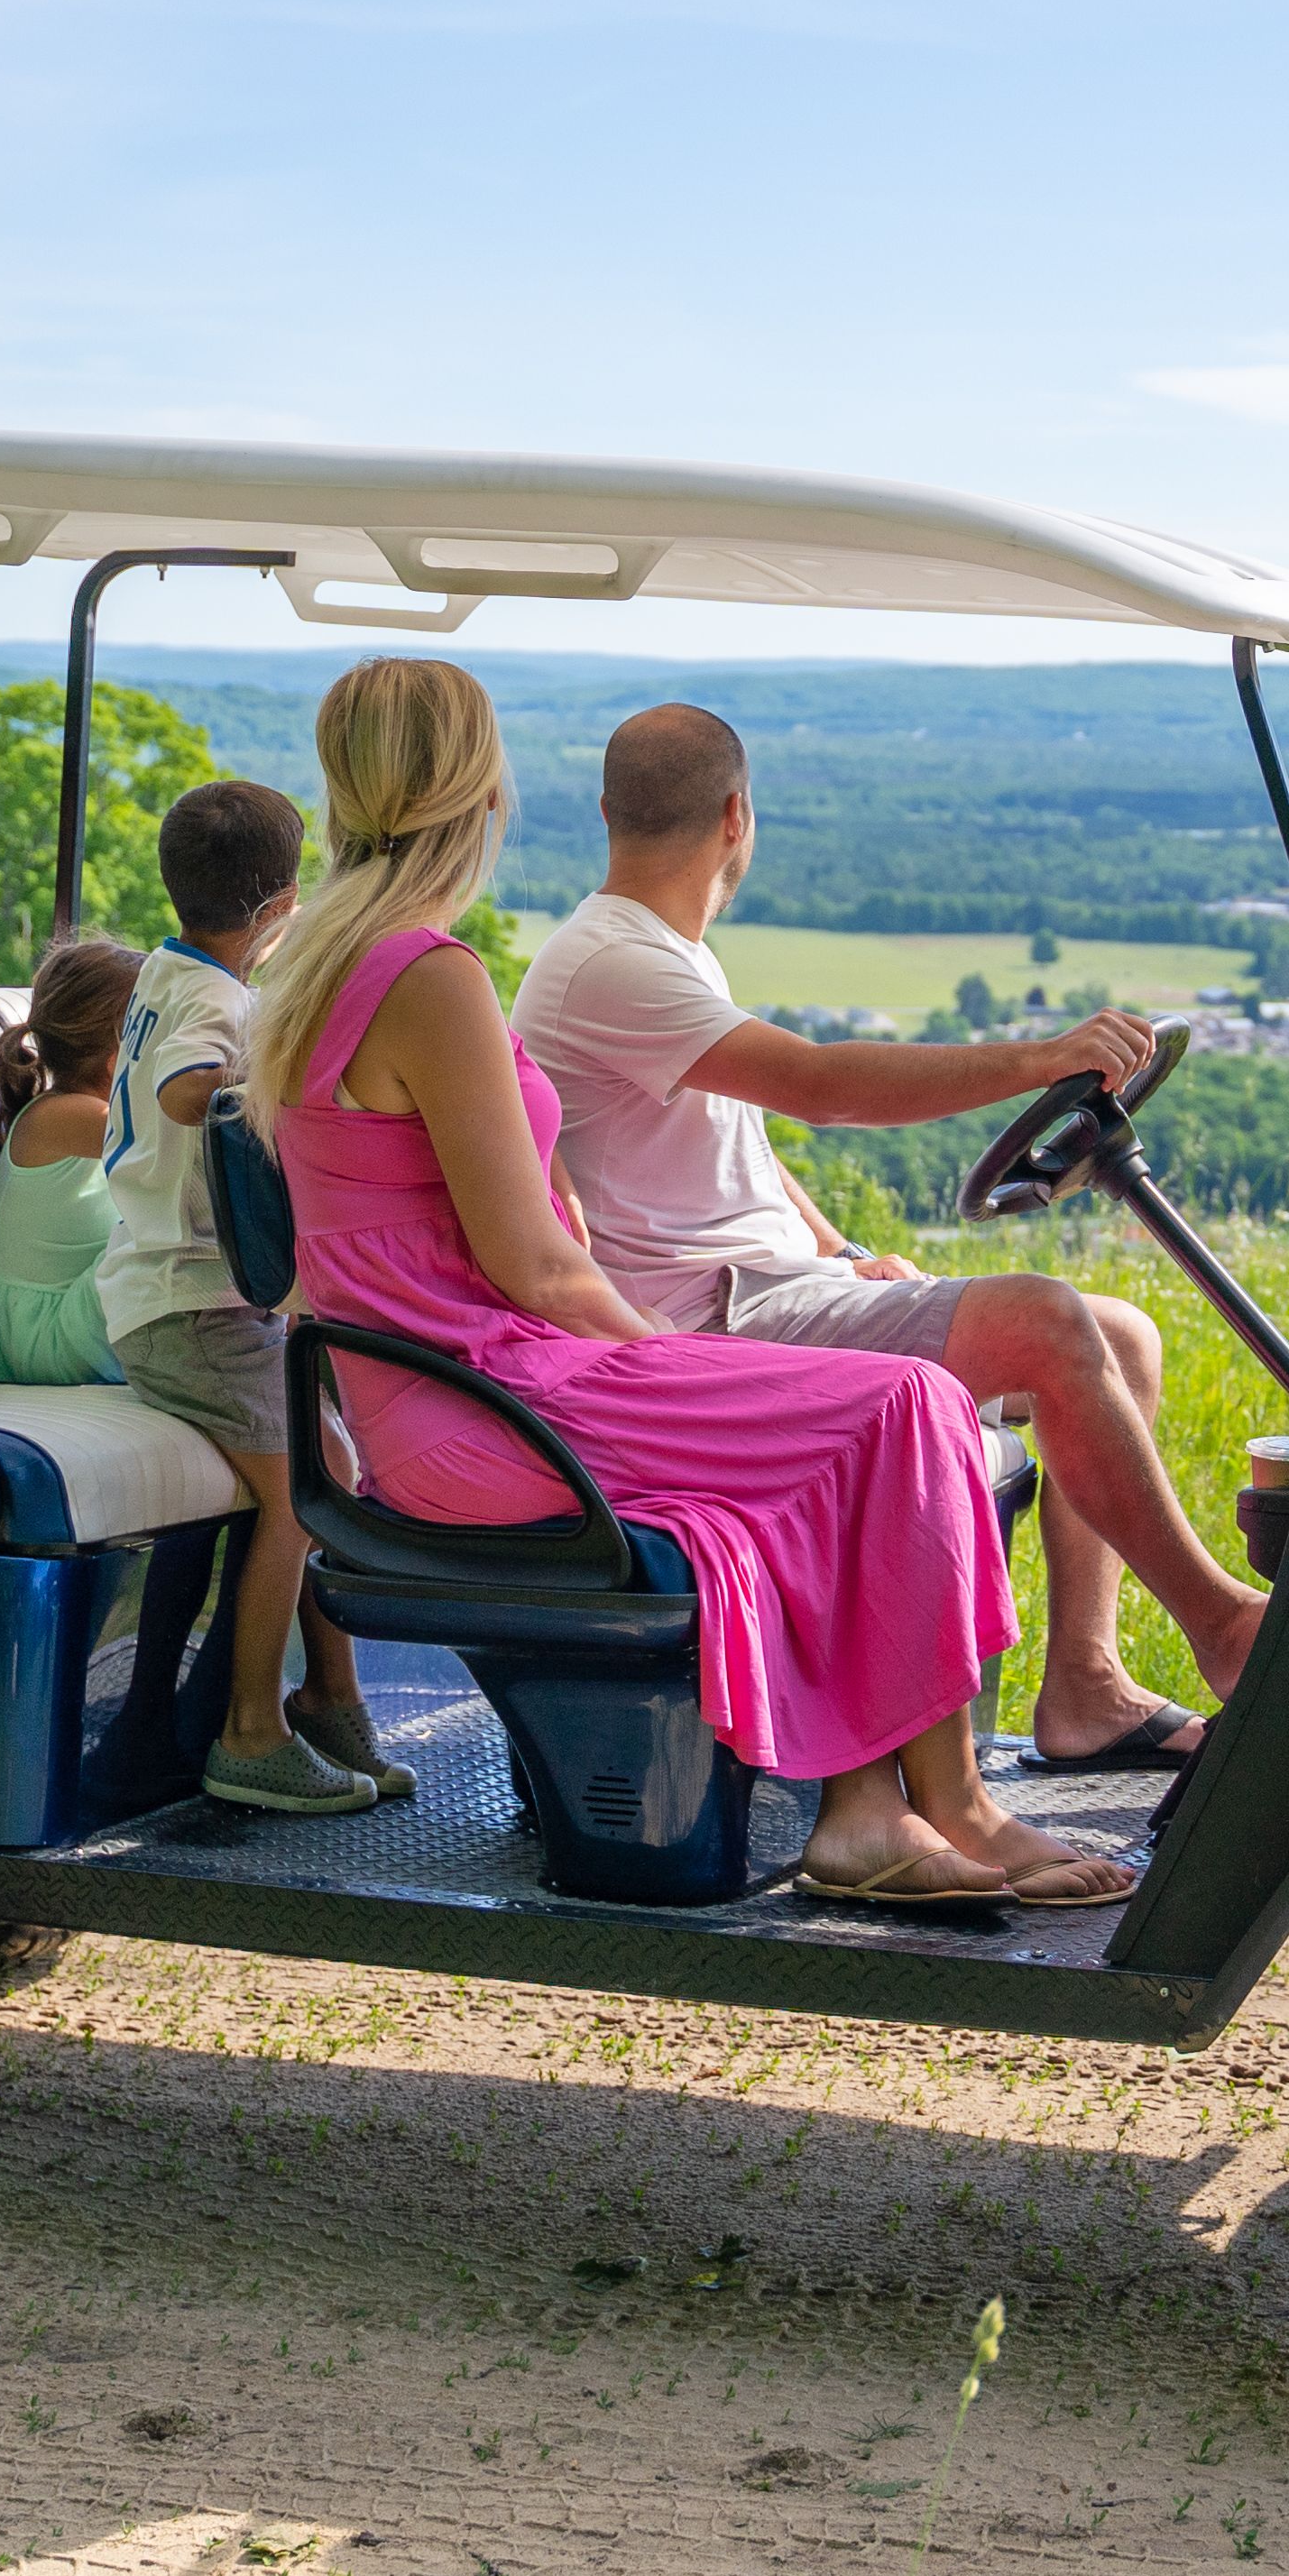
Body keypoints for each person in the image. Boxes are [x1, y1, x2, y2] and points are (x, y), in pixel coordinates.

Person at [253, 658, 1128, 1907]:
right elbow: (538, 1264)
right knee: (901, 1405)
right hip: (488, 1405)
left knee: (891, 1409)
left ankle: (880, 1811)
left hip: (442, 1395)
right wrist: (670, 1357)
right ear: (482, 789)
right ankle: (933, 1811)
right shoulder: (426, 975)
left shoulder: (323, 964)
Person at [513, 703, 1259, 1768]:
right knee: (1048, 1323)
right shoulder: (613, 965)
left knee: (1122, 1338)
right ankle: (1225, 1624)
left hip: (771, 1287)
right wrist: (1039, 1058)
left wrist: (839, 1246)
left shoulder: (654, 953)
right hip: (709, 1328)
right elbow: (818, 1088)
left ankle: (1087, 1686)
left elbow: (744, 1143)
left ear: (606, 813)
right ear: (739, 816)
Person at [97, 778, 410, 1817]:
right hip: (190, 1305)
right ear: (281, 912)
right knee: (303, 1491)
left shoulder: (164, 967)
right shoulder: (218, 1004)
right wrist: (261, 1094)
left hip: (186, 1297)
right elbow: (189, 1087)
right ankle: (250, 1729)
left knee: (336, 1465)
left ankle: (333, 1699)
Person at [0, 933, 134, 1389]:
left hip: (40, 1322)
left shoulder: (61, 1110)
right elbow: (173, 1142)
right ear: (117, 1060)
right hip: (50, 1337)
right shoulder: (66, 1116)